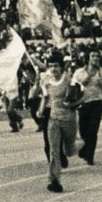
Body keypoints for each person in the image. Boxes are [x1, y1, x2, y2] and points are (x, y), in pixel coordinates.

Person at [39, 53, 79, 192]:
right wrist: (40, 110)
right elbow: (45, 98)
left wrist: (73, 103)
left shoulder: (70, 80)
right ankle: (54, 181)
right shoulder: (46, 82)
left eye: (56, 66)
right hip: (54, 119)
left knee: (69, 150)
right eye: (50, 66)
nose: (53, 69)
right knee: (54, 151)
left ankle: (77, 146)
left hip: (69, 120)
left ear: (61, 67)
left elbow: (81, 96)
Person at [74, 53, 102, 165]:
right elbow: (74, 85)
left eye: (97, 56)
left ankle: (90, 156)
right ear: (88, 58)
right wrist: (87, 78)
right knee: (83, 130)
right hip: (83, 103)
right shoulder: (80, 72)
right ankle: (85, 149)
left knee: (93, 130)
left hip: (96, 103)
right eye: (93, 56)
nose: (95, 58)